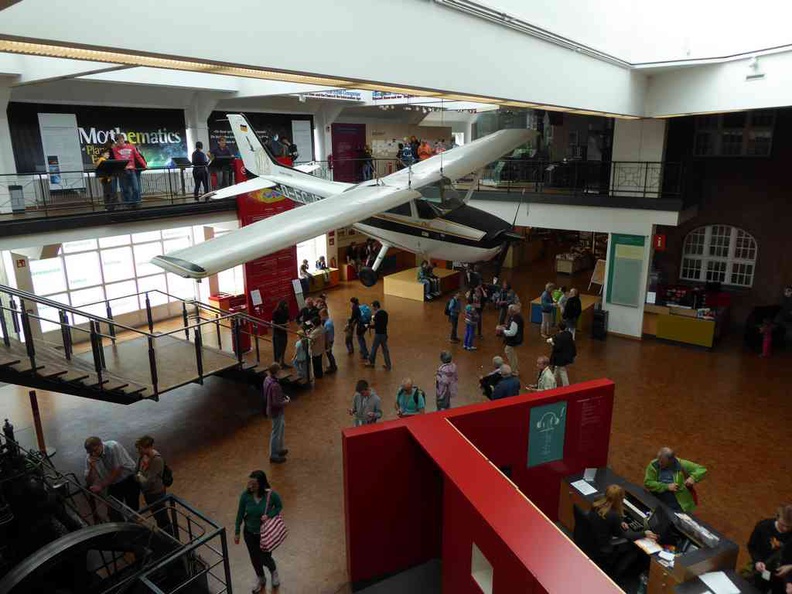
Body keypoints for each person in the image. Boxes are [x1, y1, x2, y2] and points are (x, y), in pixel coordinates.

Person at [588, 485, 657, 585]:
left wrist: (619, 522)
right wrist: (644, 533)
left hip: (593, 538)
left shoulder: (596, 503)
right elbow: (623, 535)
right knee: (634, 548)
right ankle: (615, 575)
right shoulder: (613, 515)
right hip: (604, 545)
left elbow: (607, 522)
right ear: (619, 499)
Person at [234, 470, 282, 592]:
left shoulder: (270, 495)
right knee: (254, 558)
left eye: (253, 484)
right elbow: (240, 514)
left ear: (261, 484)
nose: (250, 486)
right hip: (249, 533)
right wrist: (237, 531)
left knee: (265, 557)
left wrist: (269, 515)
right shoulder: (245, 496)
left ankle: (273, 570)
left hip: (264, 534)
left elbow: (279, 506)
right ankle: (261, 577)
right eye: (249, 483)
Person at [84, 436, 139, 519]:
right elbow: (88, 480)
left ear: (100, 445)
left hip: (128, 479)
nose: (93, 454)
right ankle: (121, 529)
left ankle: (135, 526)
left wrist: (101, 485)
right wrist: (92, 468)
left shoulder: (113, 447)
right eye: (90, 452)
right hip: (112, 483)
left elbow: (117, 470)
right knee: (113, 511)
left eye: (95, 450)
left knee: (132, 507)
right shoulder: (90, 457)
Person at [643, 447, 707, 512]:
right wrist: (666, 487)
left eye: (662, 462)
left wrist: (693, 478)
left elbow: (702, 470)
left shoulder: (681, 464)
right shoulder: (654, 465)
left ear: (671, 460)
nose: (659, 463)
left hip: (677, 503)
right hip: (657, 498)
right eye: (658, 459)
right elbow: (648, 483)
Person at [747, 505, 792, 593]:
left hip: (784, 579)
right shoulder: (763, 527)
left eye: (789, 526)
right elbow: (752, 546)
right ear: (777, 516)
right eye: (782, 524)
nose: (785, 529)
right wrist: (757, 561)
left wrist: (790, 567)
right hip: (763, 571)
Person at [134, 435, 172, 533]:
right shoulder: (142, 456)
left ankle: (169, 536)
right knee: (156, 514)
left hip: (156, 492)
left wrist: (140, 476)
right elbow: (136, 471)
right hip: (148, 492)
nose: (138, 451)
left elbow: (149, 481)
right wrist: (140, 476)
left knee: (162, 516)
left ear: (148, 447)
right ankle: (164, 534)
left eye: (140, 448)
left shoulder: (156, 459)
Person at [263, 364, 290, 464]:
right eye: (279, 371)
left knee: (280, 428)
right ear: (276, 372)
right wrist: (285, 402)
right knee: (276, 432)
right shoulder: (275, 385)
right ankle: (274, 454)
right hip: (276, 411)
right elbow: (276, 403)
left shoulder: (267, 379)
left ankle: (278, 448)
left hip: (271, 409)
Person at [112, 133, 145, 207]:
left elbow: (138, 157)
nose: (121, 142)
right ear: (116, 142)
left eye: (122, 140)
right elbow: (118, 159)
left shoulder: (131, 147)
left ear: (124, 139)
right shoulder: (115, 149)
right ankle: (128, 204)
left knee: (136, 188)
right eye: (119, 141)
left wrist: (145, 165)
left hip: (132, 170)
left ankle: (134, 202)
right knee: (125, 189)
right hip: (123, 171)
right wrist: (124, 166)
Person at [548, 321, 576, 386]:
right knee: (557, 369)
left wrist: (552, 343)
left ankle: (566, 385)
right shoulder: (569, 334)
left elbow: (557, 348)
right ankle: (552, 382)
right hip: (566, 356)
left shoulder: (558, 336)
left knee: (562, 370)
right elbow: (572, 344)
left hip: (559, 357)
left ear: (559, 327)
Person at [498, 303, 524, 376]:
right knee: (512, 354)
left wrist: (503, 330)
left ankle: (514, 370)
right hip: (516, 339)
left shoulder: (515, 320)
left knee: (509, 352)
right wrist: (506, 326)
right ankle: (514, 368)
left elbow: (512, 333)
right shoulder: (517, 317)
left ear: (511, 312)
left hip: (513, 340)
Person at [366, 300, 391, 370]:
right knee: (385, 350)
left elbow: (376, 326)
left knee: (374, 348)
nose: (372, 309)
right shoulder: (385, 313)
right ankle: (388, 365)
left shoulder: (377, 315)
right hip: (384, 334)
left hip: (378, 335)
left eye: (373, 307)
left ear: (376, 306)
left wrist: (368, 326)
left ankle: (371, 362)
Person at [95, 142, 118, 211]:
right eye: (107, 154)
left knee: (107, 193)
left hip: (103, 178)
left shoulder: (100, 160)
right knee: (111, 193)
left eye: (108, 153)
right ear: (102, 154)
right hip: (106, 178)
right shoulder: (103, 160)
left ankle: (107, 207)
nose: (108, 155)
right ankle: (110, 207)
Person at [271, 300, 290, 367]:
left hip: (283, 332)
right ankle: (276, 364)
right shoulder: (275, 312)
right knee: (277, 350)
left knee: (283, 348)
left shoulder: (286, 311)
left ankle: (282, 363)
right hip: (277, 334)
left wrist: (285, 325)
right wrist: (283, 325)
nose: (286, 306)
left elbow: (288, 321)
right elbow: (272, 324)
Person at [320, 308, 337, 374]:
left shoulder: (328, 324)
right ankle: (332, 365)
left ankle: (333, 367)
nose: (320, 317)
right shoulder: (329, 321)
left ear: (324, 315)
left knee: (329, 354)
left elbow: (327, 335)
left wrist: (327, 345)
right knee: (329, 354)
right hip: (330, 340)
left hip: (328, 341)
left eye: (321, 315)